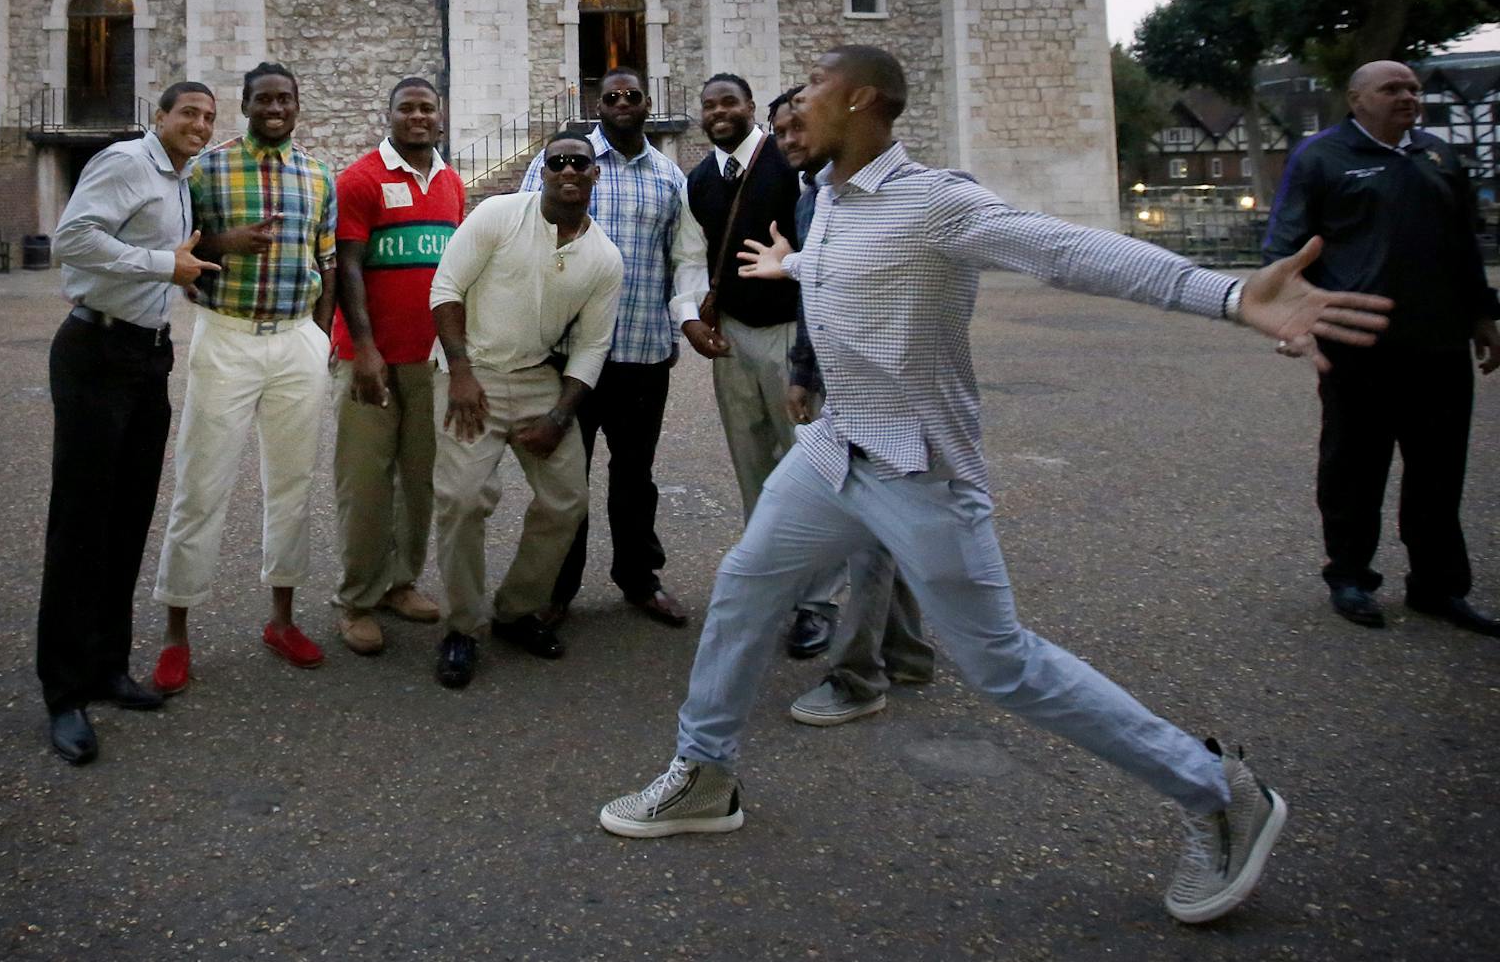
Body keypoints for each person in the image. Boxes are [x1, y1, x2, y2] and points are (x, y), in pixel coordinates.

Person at [597, 45, 1394, 929]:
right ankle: (704, 773)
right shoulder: (830, 201)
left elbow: (1065, 250)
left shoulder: (940, 202)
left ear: (862, 100)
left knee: (1000, 662)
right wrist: (793, 266)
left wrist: (1229, 293)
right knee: (746, 585)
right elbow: (854, 272)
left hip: (919, 469)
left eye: (812, 89)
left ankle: (1218, 791)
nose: (793, 109)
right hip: (832, 452)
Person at [1261, 59, 1500, 635]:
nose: (1408, 96)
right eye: (1392, 88)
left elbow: (1464, 241)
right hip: (1358, 342)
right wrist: (1289, 314)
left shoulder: (1439, 155)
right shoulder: (1321, 157)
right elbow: (1288, 245)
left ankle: (1438, 586)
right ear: (1355, 98)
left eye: (1414, 88)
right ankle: (1349, 576)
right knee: (1354, 464)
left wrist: (1484, 315)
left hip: (1439, 342)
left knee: (1439, 471)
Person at [37, 80, 222, 765]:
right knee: (81, 525)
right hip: (95, 349)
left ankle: (107, 669)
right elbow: (72, 240)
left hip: (147, 354)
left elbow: (164, 259)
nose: (199, 125)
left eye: (208, 117)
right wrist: (160, 263)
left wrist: (180, 273)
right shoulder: (124, 161)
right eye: (189, 114)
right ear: (160, 116)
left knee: (126, 521)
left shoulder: (178, 181)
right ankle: (63, 695)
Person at [150, 62, 339, 691]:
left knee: (292, 483)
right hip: (227, 335)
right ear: (247, 105)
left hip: (295, 342)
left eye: (285, 98)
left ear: (297, 104)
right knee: (200, 484)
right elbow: (183, 253)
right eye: (263, 99)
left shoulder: (317, 174)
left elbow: (328, 259)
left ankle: (281, 619)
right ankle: (176, 634)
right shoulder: (207, 170)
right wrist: (225, 244)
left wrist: (319, 331)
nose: (275, 108)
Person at [430, 131, 624, 687]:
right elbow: (446, 289)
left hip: (540, 378)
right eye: (558, 161)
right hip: (473, 372)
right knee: (462, 500)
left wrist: (561, 417)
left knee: (567, 500)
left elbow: (591, 346)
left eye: (580, 163)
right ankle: (462, 628)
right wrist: (461, 374)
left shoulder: (603, 257)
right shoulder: (498, 214)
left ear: (594, 175)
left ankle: (516, 611)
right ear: (542, 170)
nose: (569, 170)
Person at [768, 86, 934, 727]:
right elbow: (820, 297)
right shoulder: (818, 198)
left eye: (798, 126)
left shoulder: (904, 191)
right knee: (880, 526)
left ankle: (860, 676)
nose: (789, 140)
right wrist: (807, 370)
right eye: (780, 130)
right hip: (849, 382)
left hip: (886, 387)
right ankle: (909, 653)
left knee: (867, 534)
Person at [518, 67, 697, 629]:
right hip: (569, 357)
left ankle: (638, 578)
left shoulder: (670, 177)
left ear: (647, 104)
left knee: (635, 476)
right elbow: (524, 241)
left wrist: (675, 327)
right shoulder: (560, 162)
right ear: (598, 103)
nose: (622, 103)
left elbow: (683, 258)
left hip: (641, 351)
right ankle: (556, 586)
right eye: (612, 96)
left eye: (632, 96)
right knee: (568, 481)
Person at [674, 73, 841, 658]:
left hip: (792, 333)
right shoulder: (700, 180)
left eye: (730, 102)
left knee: (810, 469)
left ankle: (818, 602)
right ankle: (775, 585)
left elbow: (832, 238)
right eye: (709, 104)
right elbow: (692, 255)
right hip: (735, 339)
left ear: (750, 107)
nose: (718, 112)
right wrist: (692, 316)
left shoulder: (792, 163)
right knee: (753, 470)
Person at [329, 75, 464, 655]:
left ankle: (400, 582)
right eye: (405, 108)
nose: (417, 117)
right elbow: (349, 268)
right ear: (388, 116)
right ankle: (357, 598)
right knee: (364, 483)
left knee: (419, 481)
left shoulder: (454, 184)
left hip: (427, 360)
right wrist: (363, 349)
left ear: (440, 117)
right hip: (370, 361)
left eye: (426, 108)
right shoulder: (359, 180)